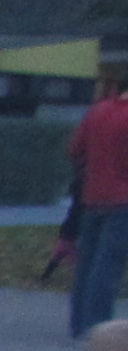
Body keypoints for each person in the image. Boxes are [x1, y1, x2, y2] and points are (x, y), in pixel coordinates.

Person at [67, 68, 128, 335]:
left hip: (93, 196)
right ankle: (98, 327)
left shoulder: (97, 111)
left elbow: (75, 149)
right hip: (123, 199)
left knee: (87, 261)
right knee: (108, 264)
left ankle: (80, 324)